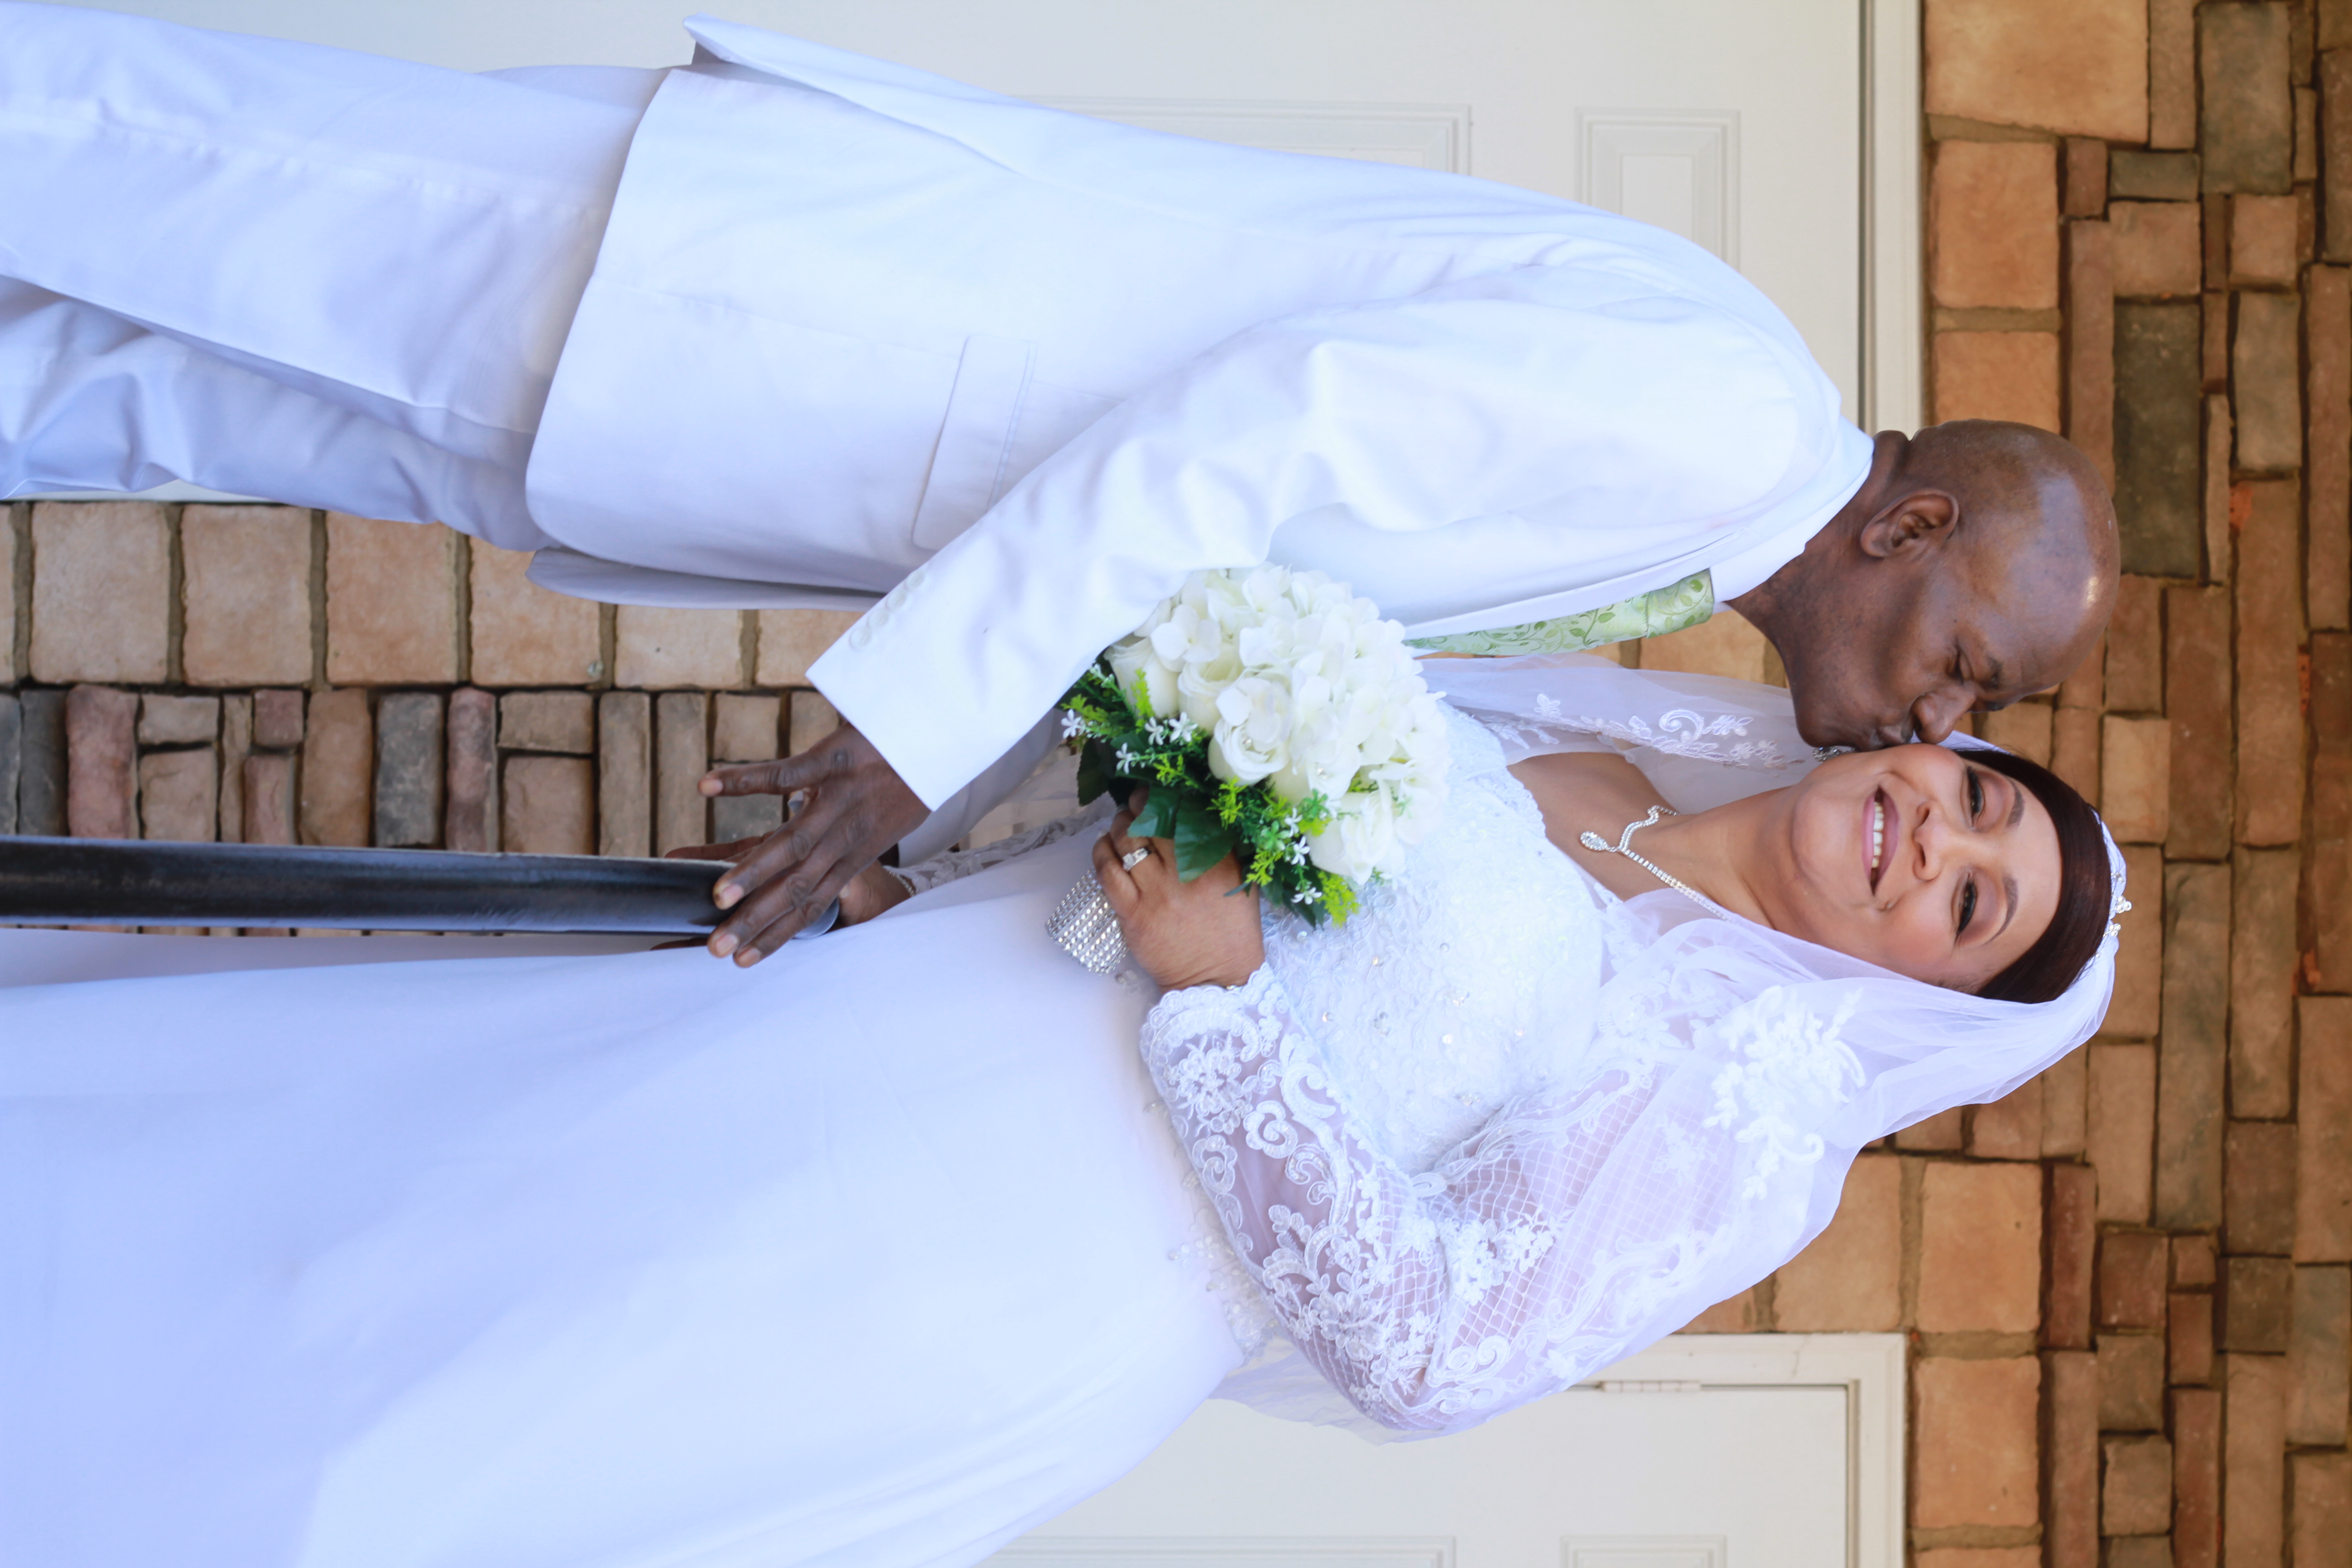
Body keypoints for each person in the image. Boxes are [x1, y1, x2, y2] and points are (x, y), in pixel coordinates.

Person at [0, 5, 2121, 958]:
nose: (1940, 724)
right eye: (1969, 669)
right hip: (792, 303)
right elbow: (1257, 431)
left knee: (161, 396)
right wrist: (904, 746)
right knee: (168, 165)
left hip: (781, 414)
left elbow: (1228, 591)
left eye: (1973, 722)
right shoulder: (1715, 429)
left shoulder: (1697, 513)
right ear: (1910, 523)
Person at [0, 650, 2124, 1567]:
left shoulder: (1740, 1105)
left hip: (1017, 1264)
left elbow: (1437, 1346)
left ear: (1928, 992)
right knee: (440, 1159)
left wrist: (1215, 1008)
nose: (1925, 841)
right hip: (914, 1018)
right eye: (1972, 802)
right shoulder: (1601, 748)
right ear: (1932, 751)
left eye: (1968, 903)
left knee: (528, 1378)